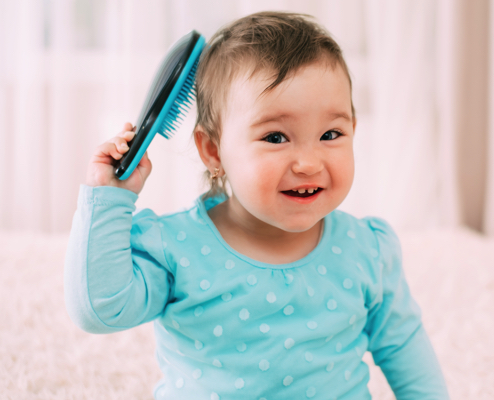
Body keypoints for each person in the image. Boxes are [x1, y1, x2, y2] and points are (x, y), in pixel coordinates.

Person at [64, 11, 448, 400]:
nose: (309, 163)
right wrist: (110, 197)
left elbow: (403, 347)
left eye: (331, 134)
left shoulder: (367, 249)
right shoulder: (175, 248)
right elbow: (100, 309)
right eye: (276, 137)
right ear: (213, 150)